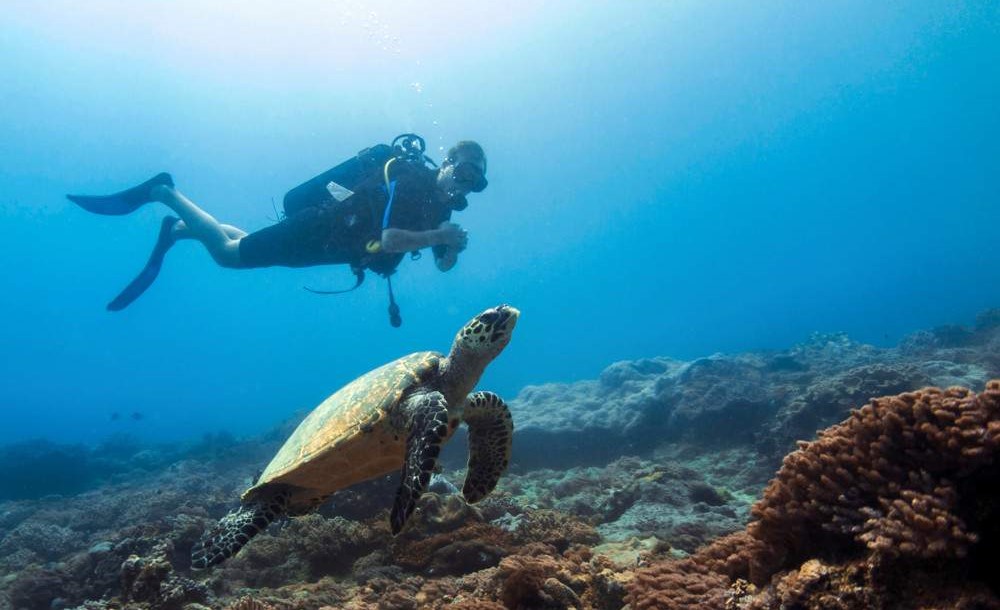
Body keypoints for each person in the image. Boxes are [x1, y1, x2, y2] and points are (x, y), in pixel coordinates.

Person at [67, 137, 488, 324]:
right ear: (448, 163)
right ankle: (163, 191)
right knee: (229, 257)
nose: (466, 184)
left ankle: (178, 231)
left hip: (331, 246)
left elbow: (445, 267)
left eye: (476, 181)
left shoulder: (438, 214)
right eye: (465, 171)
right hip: (318, 228)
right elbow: (392, 240)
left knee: (241, 241)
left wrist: (453, 247)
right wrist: (441, 237)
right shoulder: (412, 180)